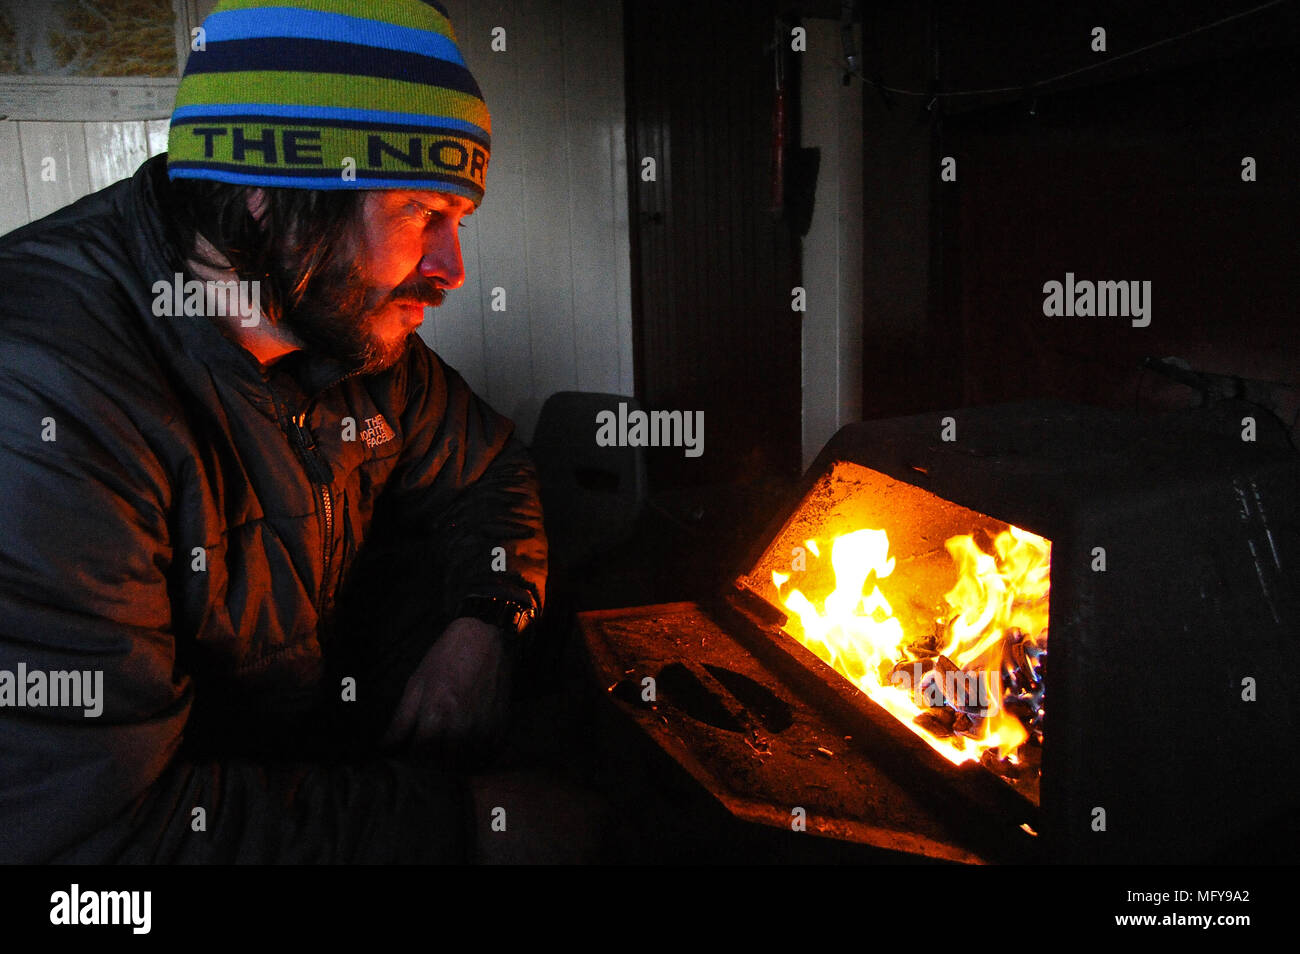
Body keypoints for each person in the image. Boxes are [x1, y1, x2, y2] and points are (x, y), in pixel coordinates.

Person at [0, 0, 549, 863]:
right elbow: (100, 844)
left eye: (459, 222)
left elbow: (486, 470)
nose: (451, 270)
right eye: (419, 213)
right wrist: (470, 827)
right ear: (266, 195)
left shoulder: (346, 329)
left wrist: (489, 617)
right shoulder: (46, 394)